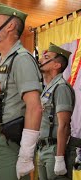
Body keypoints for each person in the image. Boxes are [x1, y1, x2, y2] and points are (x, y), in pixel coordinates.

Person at [0, 2, 43, 180]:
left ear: (10, 26)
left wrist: (26, 154)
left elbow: (34, 107)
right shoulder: (0, 62)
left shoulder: (22, 59)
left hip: (8, 145)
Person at [37, 43, 75, 180]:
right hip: (43, 149)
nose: (40, 60)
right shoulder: (48, 88)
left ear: (56, 65)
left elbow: (63, 125)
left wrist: (59, 158)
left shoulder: (61, 88)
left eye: (46, 57)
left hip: (55, 150)